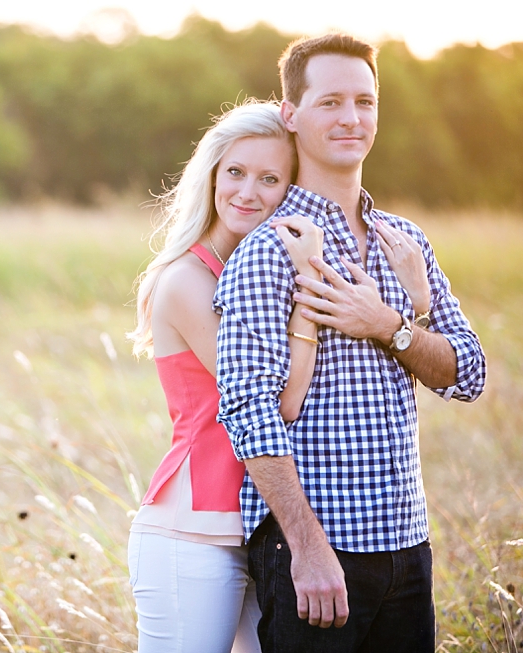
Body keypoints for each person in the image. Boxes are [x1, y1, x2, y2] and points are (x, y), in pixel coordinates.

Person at [213, 34, 486, 653]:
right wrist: (307, 548)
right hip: (317, 551)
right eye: (330, 102)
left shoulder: (404, 241)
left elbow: (469, 374)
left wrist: (390, 326)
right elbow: (249, 410)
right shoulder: (270, 250)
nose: (351, 118)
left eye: (365, 101)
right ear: (291, 114)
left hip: (407, 545)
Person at [125, 100, 429, 653]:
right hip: (195, 530)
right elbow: (284, 402)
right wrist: (310, 282)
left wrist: (412, 306)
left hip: (258, 530)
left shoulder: (251, 269)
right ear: (211, 176)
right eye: (235, 172)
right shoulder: (188, 280)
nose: (247, 192)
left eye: (270, 179)